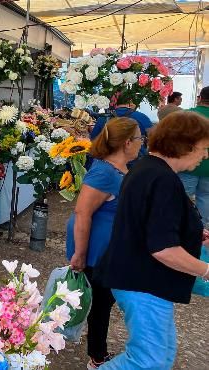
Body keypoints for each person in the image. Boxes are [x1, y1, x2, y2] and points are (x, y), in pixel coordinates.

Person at [95, 111, 209, 370]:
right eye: (203, 149)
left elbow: (147, 223)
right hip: (143, 281)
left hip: (141, 279)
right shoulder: (161, 179)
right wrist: (206, 270)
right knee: (148, 360)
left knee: (162, 355)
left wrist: (194, 234)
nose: (205, 155)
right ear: (184, 145)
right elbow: (163, 248)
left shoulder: (147, 169)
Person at [65, 117, 142, 369]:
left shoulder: (121, 169)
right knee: (100, 303)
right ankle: (97, 357)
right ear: (127, 142)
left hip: (108, 249)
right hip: (96, 250)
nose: (143, 143)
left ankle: (92, 346)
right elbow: (82, 212)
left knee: (101, 302)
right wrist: (80, 253)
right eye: (140, 138)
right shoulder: (104, 172)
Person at [179, 86, 209, 224]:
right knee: (205, 198)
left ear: (200, 98)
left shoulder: (187, 115)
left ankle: (181, 229)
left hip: (188, 165)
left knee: (182, 198)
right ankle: (201, 232)